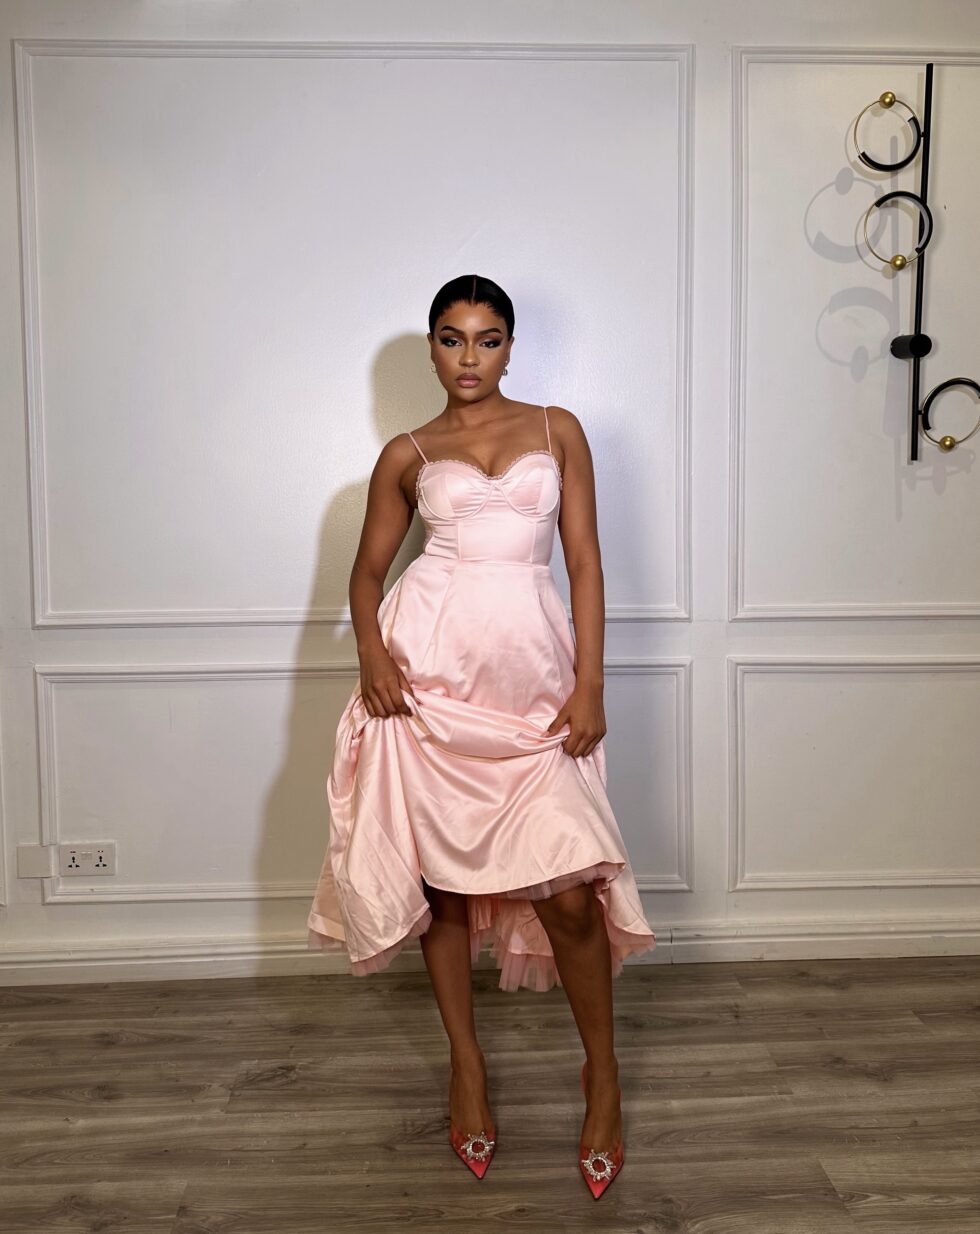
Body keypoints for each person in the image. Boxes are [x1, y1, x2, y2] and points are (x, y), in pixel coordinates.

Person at [308, 274, 656, 1197]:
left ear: (510, 346)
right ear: (431, 346)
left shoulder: (557, 429)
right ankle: (466, 1066)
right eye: (453, 339)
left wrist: (590, 683)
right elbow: (366, 574)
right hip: (428, 685)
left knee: (570, 895)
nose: (470, 357)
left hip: (533, 692)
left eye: (488, 339)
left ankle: (603, 1077)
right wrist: (372, 658)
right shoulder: (408, 452)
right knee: (445, 887)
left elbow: (584, 561)